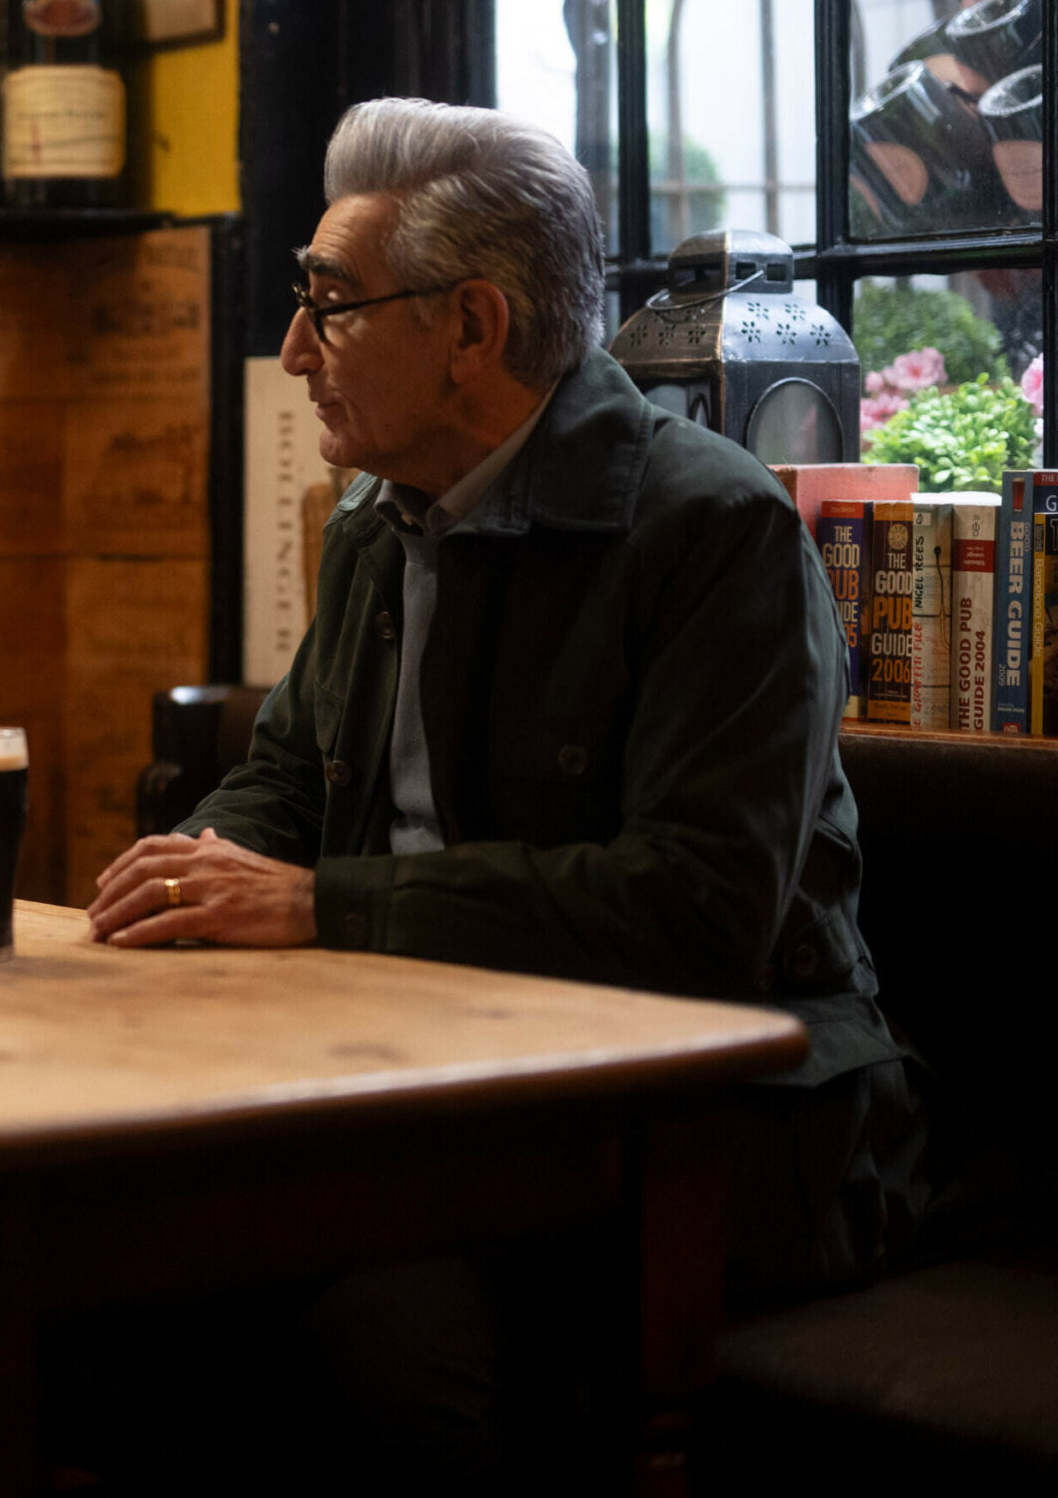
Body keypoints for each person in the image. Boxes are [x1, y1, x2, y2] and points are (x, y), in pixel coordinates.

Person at [74, 99, 929, 1489]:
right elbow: (286, 777)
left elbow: (698, 907)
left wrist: (318, 904)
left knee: (367, 1344)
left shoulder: (714, 529)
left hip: (721, 1127)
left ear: (470, 324)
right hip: (428, 1088)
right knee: (89, 1271)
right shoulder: (376, 519)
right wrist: (191, 865)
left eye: (329, 306)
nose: (292, 351)